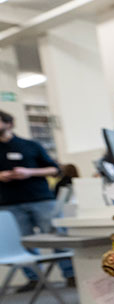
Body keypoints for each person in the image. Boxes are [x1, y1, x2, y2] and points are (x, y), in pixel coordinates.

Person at [0, 110, 74, 290]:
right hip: (9, 203)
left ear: (8, 123)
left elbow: (55, 170)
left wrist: (29, 172)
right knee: (23, 242)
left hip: (40, 198)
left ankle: (71, 275)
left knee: (57, 236)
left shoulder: (30, 145)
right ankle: (34, 279)